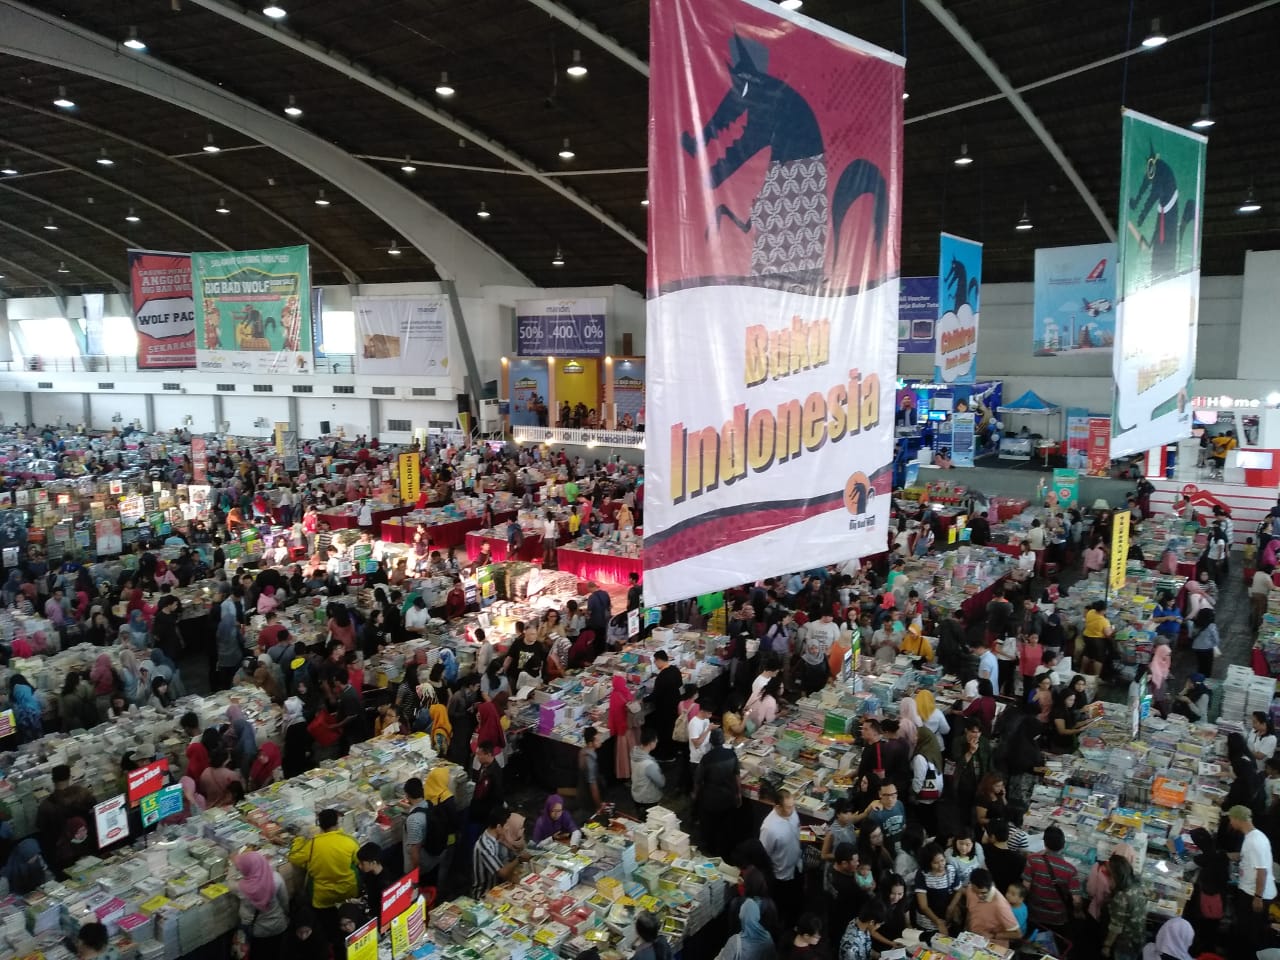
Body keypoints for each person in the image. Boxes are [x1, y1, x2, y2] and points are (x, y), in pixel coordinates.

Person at [287, 808, 360, 936]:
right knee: (350, 921)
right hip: (347, 890)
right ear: (337, 823)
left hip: (323, 895)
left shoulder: (313, 844)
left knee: (329, 924)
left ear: (320, 825)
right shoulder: (349, 841)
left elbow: (293, 857)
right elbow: (358, 861)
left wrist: (299, 839)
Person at [1229, 804, 1276, 956]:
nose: (1230, 823)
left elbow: (1262, 871)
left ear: (1237, 819)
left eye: (1231, 819)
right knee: (1246, 928)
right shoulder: (1255, 836)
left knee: (1249, 931)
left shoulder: (1254, 841)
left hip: (1254, 893)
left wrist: (1257, 897)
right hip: (1252, 890)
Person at [1022, 825, 1081, 935]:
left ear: (1044, 844)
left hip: (1035, 913)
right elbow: (1076, 900)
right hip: (1057, 917)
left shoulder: (1032, 860)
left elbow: (1025, 887)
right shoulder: (1070, 870)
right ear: (1063, 845)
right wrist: (1077, 912)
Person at [695, 728, 744, 860]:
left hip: (711, 799)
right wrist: (738, 794)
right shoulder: (731, 754)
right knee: (726, 826)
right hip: (728, 796)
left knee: (711, 826)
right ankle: (726, 851)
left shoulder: (706, 759)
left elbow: (698, 781)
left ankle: (712, 851)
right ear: (723, 741)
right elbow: (737, 776)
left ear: (711, 741)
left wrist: (695, 795)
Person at [233, 851, 290, 956]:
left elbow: (229, 881)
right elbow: (284, 902)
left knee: (259, 953)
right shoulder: (276, 878)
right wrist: (286, 914)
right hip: (278, 925)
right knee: (277, 952)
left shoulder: (240, 887)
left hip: (257, 930)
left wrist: (233, 865)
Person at [760, 789, 803, 926]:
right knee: (782, 909)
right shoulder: (769, 828)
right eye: (789, 807)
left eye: (793, 805)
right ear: (777, 806)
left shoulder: (793, 813)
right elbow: (763, 855)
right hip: (781, 876)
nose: (792, 810)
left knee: (797, 902)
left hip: (797, 867)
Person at [1102, 854, 1148, 960]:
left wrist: (1107, 946)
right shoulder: (1138, 883)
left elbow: (1116, 927)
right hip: (1140, 934)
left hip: (1127, 942)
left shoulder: (1121, 896)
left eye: (1108, 874)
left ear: (1115, 876)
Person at [472, 806, 525, 896]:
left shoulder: (497, 837)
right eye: (506, 825)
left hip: (499, 888)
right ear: (499, 827)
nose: (508, 828)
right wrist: (519, 859)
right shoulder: (485, 846)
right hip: (485, 894)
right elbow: (502, 873)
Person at [913, 842, 962, 938]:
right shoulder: (923, 874)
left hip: (946, 916)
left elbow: (959, 890)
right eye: (935, 863)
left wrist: (951, 907)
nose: (941, 865)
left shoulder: (950, 870)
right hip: (928, 920)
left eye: (942, 860)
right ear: (928, 863)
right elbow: (923, 906)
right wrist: (937, 922)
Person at [963, 869, 1020, 944]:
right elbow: (970, 910)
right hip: (972, 938)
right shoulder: (970, 889)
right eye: (976, 892)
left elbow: (1017, 934)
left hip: (993, 943)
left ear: (991, 886)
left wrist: (993, 936)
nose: (979, 896)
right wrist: (966, 929)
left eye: (983, 893)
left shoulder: (1000, 905)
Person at [647, 650, 683, 756]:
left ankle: (666, 755)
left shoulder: (661, 677)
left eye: (655, 661)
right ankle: (675, 750)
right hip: (675, 705)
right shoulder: (675, 670)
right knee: (673, 728)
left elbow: (655, 695)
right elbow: (680, 685)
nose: (655, 664)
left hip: (664, 709)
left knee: (665, 732)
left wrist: (643, 700)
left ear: (659, 660)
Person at [610, 675, 640, 780]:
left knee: (624, 754)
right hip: (631, 725)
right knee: (633, 748)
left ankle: (626, 773)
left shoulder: (614, 696)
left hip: (622, 729)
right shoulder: (626, 691)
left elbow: (614, 714)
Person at [630, 727, 666, 816]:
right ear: (651, 743)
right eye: (656, 740)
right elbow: (661, 783)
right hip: (649, 798)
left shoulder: (634, 753)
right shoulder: (649, 764)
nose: (657, 742)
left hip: (636, 794)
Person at [355, 843, 391, 921]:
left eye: (362, 863)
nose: (359, 866)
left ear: (373, 863)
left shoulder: (385, 883)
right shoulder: (368, 874)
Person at [577, 726, 603, 819]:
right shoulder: (589, 760)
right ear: (591, 743)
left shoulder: (583, 751)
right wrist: (598, 805)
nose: (600, 741)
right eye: (598, 740)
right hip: (588, 799)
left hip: (583, 793)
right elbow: (593, 787)